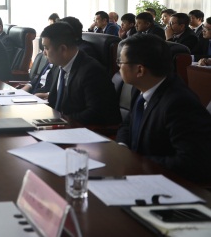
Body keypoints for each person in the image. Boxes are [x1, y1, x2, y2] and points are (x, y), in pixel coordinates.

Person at [115, 34, 211, 183]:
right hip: (138, 175)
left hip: (168, 185)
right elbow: (128, 124)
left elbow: (192, 162)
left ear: (140, 70)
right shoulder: (140, 88)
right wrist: (122, 147)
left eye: (121, 62)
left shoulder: (179, 103)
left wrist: (138, 162)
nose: (118, 66)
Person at [41, 22, 120, 125]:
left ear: (63, 49)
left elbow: (96, 113)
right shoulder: (58, 66)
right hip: (60, 126)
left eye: (46, 48)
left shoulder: (92, 71)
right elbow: (56, 102)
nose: (44, 52)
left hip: (85, 130)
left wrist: (61, 121)